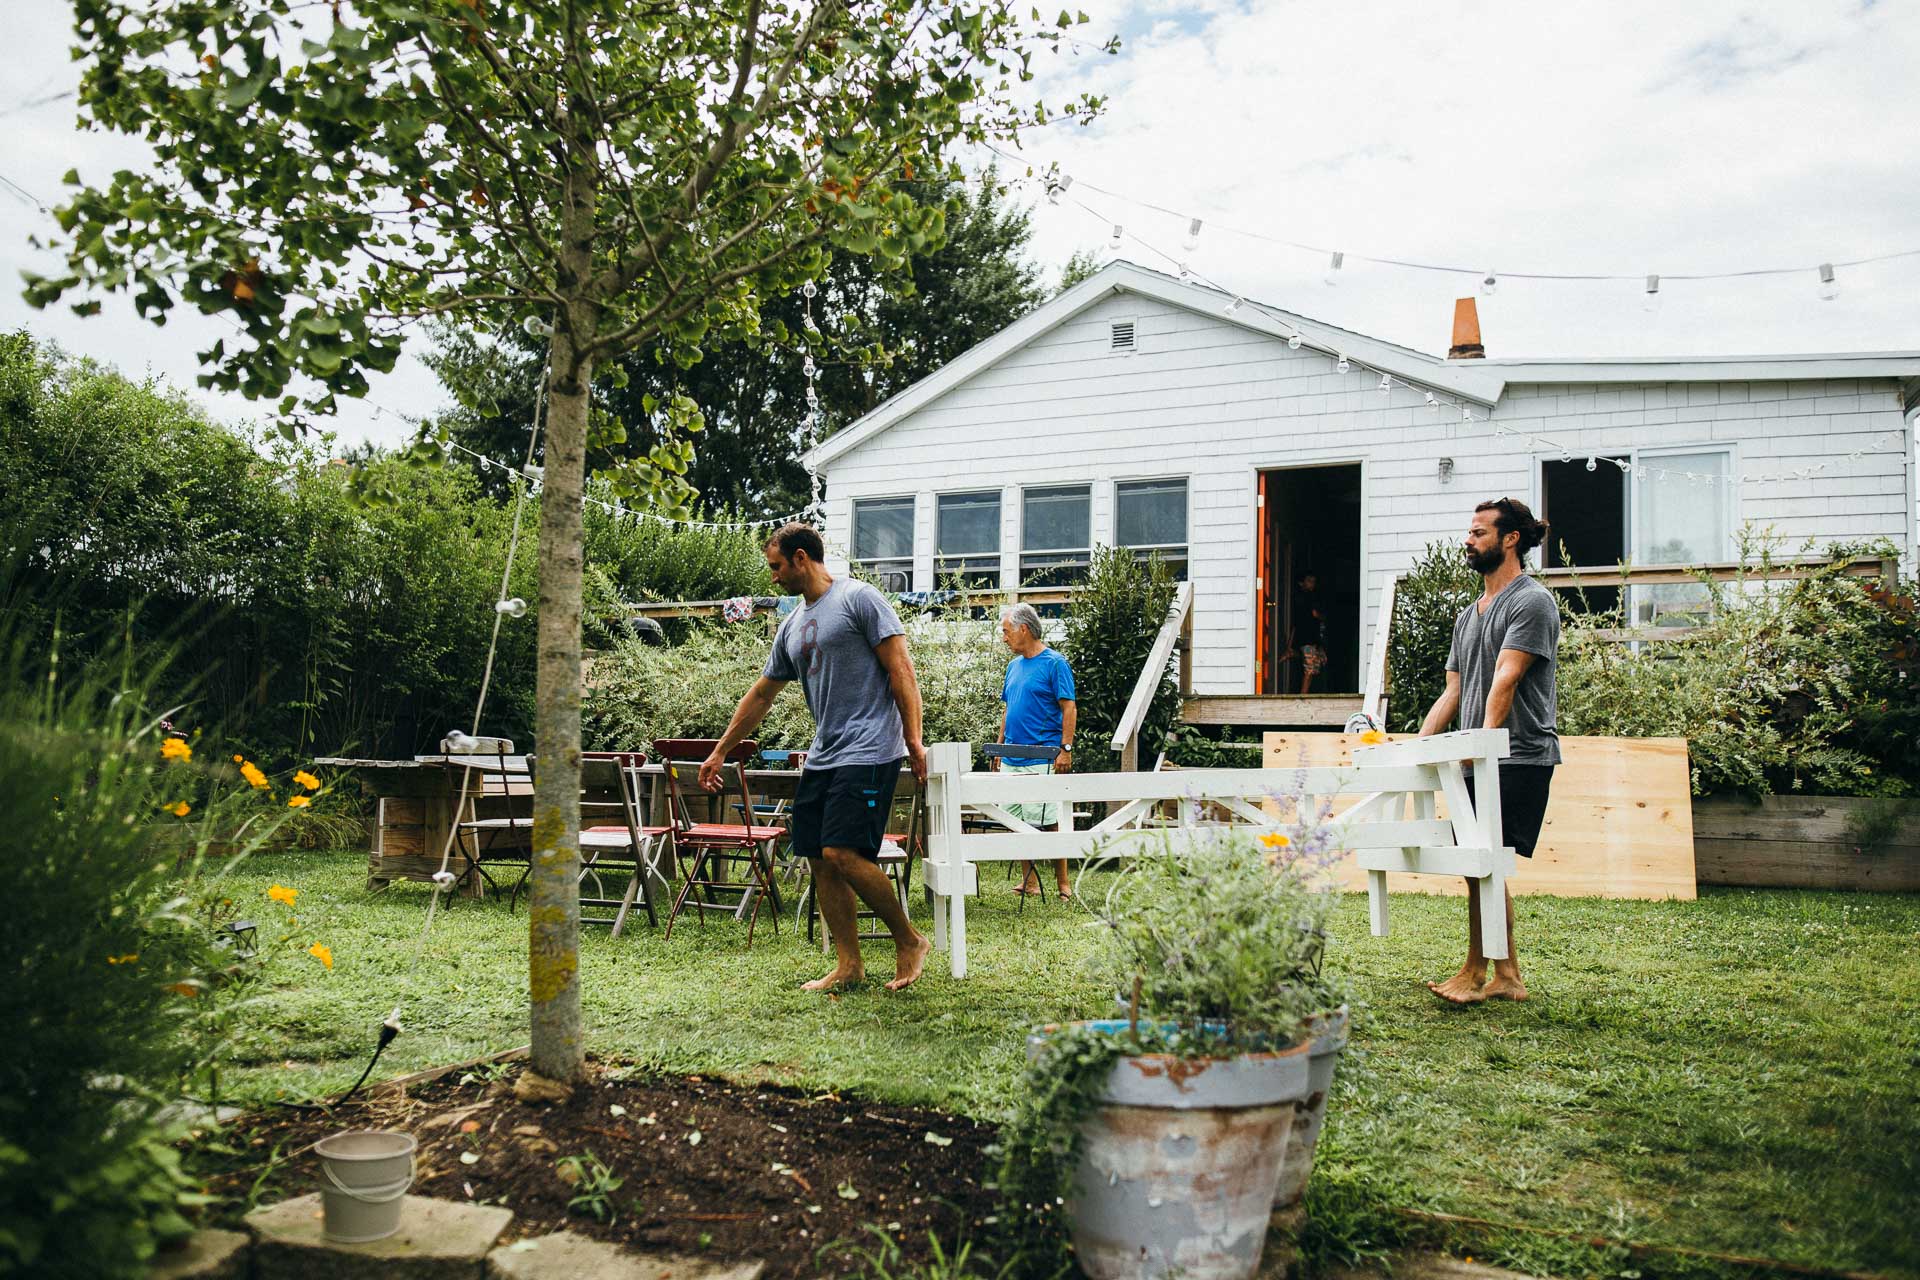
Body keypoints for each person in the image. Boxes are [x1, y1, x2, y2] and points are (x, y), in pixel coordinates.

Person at [701, 523, 932, 992]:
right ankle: (849, 965)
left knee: (842, 852)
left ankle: (908, 939)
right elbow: (763, 694)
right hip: (825, 753)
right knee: (819, 859)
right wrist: (720, 750)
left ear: (802, 557)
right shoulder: (791, 625)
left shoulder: (858, 600)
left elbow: (901, 667)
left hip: (870, 747)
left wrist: (913, 740)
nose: (773, 578)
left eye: (777, 567)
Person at [1417, 497, 1560, 1005]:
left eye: (1479, 532)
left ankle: (1482, 972)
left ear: (1510, 539)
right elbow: (1452, 692)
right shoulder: (1467, 615)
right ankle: (1504, 975)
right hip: (1482, 754)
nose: (1468, 540)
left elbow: (1507, 678)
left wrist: (1479, 746)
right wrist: (1419, 748)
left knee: (1485, 864)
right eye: (1470, 532)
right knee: (1479, 864)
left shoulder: (1530, 602)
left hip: (1517, 752)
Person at [992, 603, 1078, 899]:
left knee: (1048, 820)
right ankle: (1028, 880)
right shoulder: (1013, 667)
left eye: (1006, 631)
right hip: (1011, 756)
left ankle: (1063, 883)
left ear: (1023, 629)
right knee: (1016, 821)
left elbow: (1069, 708)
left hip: (1042, 756)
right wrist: (1000, 746)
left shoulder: (1055, 663)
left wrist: (1065, 749)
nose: (1004, 638)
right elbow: (1008, 709)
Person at [1290, 572, 1327, 694]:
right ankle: (1303, 696)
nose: (1312, 584)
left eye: (1313, 581)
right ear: (1302, 583)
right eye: (1309, 581)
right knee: (1310, 669)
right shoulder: (1303, 598)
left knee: (1316, 667)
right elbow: (1314, 615)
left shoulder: (1312, 597)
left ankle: (1292, 653)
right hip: (1307, 638)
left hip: (1313, 639)